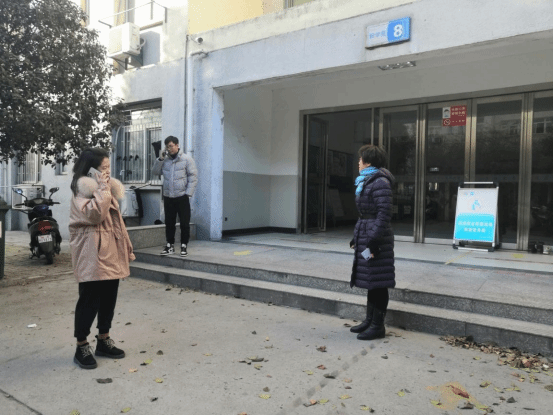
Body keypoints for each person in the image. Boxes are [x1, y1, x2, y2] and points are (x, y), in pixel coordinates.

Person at [69, 148, 135, 369]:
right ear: (91, 170)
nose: (107, 172)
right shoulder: (82, 190)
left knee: (109, 297)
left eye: (108, 167)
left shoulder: (104, 190)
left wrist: (126, 247)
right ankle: (81, 346)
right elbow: (96, 214)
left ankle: (104, 340)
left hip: (110, 251)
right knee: (89, 300)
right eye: (103, 168)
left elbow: (117, 223)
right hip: (92, 253)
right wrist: (103, 188)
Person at [349, 145, 395, 341]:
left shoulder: (380, 182)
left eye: (361, 159)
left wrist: (374, 240)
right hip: (367, 233)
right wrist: (357, 236)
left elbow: (384, 214)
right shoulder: (366, 181)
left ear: (368, 161)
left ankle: (378, 326)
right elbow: (366, 213)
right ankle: (369, 320)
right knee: (372, 280)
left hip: (377, 237)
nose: (358, 162)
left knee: (379, 282)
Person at [152, 136, 198, 257]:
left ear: (177, 145)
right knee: (169, 223)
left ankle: (184, 245)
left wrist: (188, 193)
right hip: (168, 196)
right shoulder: (165, 160)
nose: (169, 149)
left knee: (184, 223)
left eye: (171, 146)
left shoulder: (186, 159)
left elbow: (193, 177)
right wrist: (160, 158)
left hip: (182, 196)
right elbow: (155, 172)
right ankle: (170, 245)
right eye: (167, 147)